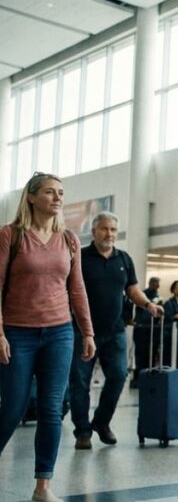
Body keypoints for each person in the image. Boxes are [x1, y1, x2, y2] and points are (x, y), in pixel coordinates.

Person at [0, 172, 96, 502]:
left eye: (61, 193)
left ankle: (43, 486)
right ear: (31, 197)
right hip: (18, 333)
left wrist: (87, 331)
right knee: (12, 408)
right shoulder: (10, 235)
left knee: (52, 410)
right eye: (50, 192)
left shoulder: (68, 239)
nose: (58, 198)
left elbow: (77, 288)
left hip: (59, 333)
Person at [70, 212, 162, 451]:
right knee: (79, 383)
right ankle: (82, 431)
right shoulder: (80, 257)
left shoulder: (124, 259)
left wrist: (148, 305)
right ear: (94, 231)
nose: (109, 234)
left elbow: (132, 290)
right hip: (82, 332)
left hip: (115, 332)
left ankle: (101, 421)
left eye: (113, 229)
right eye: (104, 229)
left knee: (119, 375)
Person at [131, 276, 164, 385]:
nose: (158, 286)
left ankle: (148, 376)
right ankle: (138, 378)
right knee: (140, 354)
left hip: (153, 329)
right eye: (156, 283)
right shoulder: (143, 295)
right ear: (150, 283)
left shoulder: (158, 296)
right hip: (142, 328)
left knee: (152, 354)